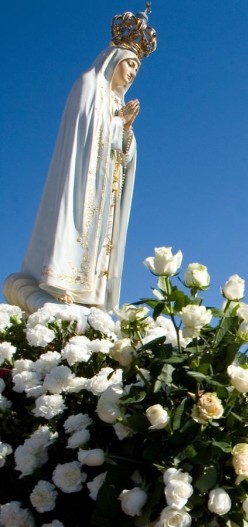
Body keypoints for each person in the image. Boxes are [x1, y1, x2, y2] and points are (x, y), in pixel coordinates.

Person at [6, 7, 156, 312]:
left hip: (106, 194)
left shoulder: (118, 103)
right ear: (113, 59)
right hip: (82, 181)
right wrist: (118, 124)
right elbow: (84, 134)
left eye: (136, 70)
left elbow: (126, 156)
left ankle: (91, 295)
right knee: (75, 222)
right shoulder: (89, 85)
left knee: (101, 241)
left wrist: (126, 129)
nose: (132, 73)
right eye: (130, 64)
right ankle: (62, 282)